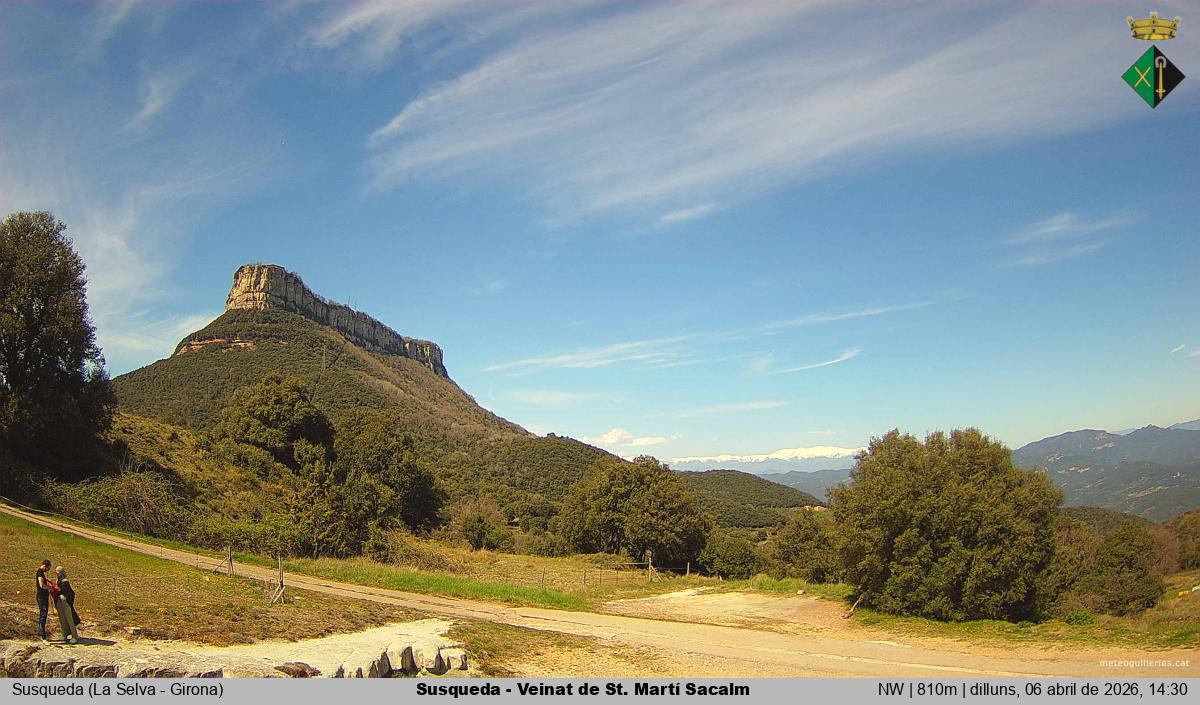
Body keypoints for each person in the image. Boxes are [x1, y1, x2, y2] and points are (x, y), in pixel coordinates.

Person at [47, 574, 78, 644]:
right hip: (60, 602)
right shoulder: (58, 581)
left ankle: (74, 636)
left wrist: (59, 589)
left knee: (69, 619)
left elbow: (67, 592)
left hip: (65, 602)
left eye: (58, 573)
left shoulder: (65, 582)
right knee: (62, 619)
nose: (57, 574)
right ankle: (65, 633)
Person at [35, 560, 52, 642]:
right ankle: (42, 635)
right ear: (45, 566)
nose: (48, 570)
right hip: (42, 597)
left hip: (43, 597)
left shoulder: (41, 573)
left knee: (43, 615)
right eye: (48, 568)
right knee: (43, 615)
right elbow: (41, 585)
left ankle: (41, 633)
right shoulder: (40, 573)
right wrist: (50, 588)